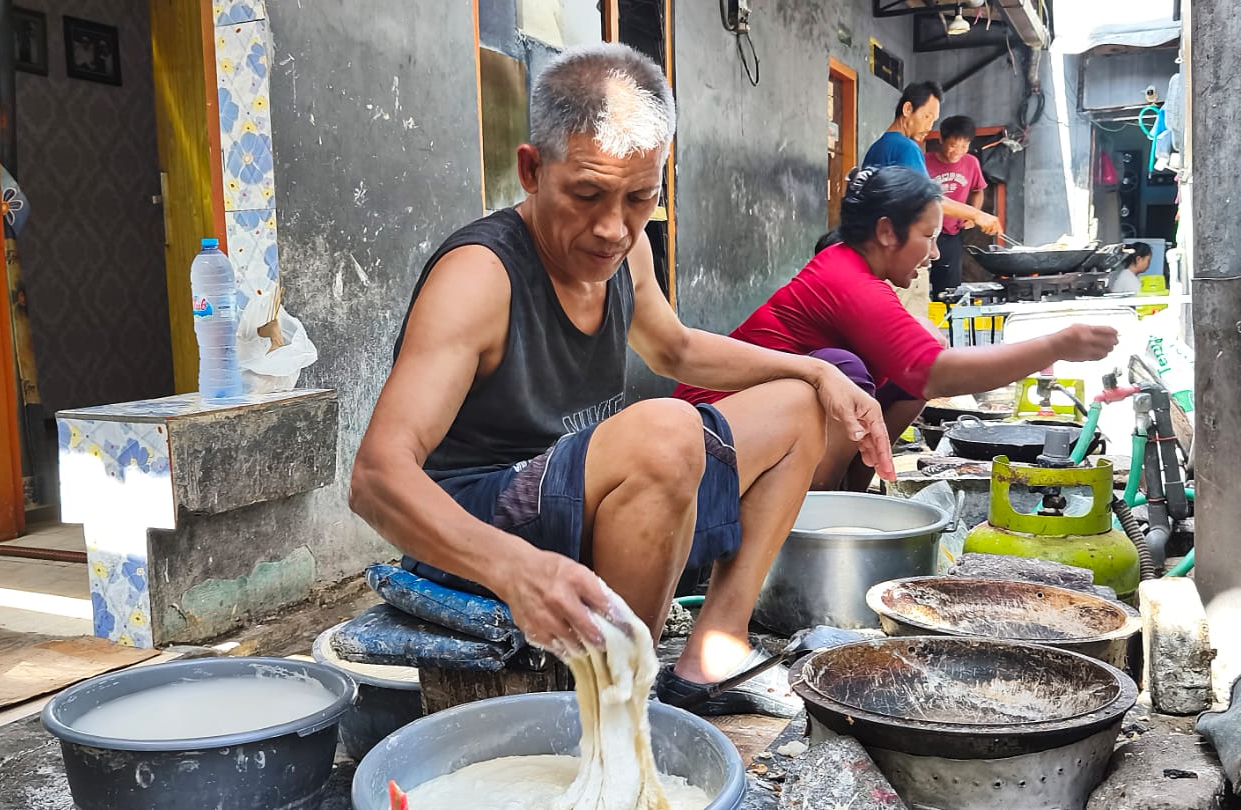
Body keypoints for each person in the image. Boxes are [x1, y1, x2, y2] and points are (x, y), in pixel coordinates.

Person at [348, 44, 893, 719]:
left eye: (639, 198)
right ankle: (616, 716)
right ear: (531, 169)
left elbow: (675, 348)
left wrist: (814, 368)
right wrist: (514, 570)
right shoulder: (480, 276)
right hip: (478, 519)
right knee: (663, 432)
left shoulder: (625, 246)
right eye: (586, 194)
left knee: (799, 408)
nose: (612, 227)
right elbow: (376, 478)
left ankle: (712, 652)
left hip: (565, 492)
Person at [674, 166, 1120, 492]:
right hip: (710, 436)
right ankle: (815, 508)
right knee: (845, 369)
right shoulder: (846, 278)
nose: (934, 253)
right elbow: (936, 372)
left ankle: (851, 494)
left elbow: (917, 374)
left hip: (743, 427)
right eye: (927, 236)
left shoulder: (854, 272)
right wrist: (1056, 345)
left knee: (897, 379)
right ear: (887, 232)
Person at [860, 81, 1001, 237]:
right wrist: (977, 215)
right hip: (890, 242)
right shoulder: (906, 147)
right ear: (908, 109)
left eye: (933, 120)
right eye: (927, 116)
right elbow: (928, 200)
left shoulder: (877, 147)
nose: (929, 126)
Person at [924, 115, 989, 294]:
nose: (958, 151)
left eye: (964, 145)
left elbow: (978, 190)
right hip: (924, 234)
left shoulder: (971, 163)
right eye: (953, 145)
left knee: (948, 290)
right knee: (919, 284)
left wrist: (972, 215)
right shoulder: (923, 161)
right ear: (941, 139)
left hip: (952, 234)